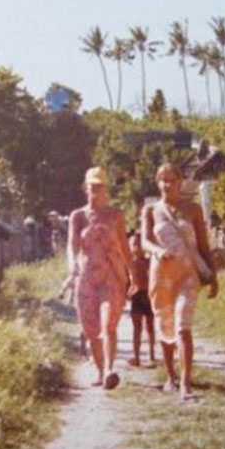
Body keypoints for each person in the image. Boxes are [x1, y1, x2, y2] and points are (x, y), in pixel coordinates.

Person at [142, 163, 218, 401]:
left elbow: (204, 246)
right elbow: (144, 240)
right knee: (165, 323)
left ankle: (186, 383)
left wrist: (213, 276)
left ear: (180, 182)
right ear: (158, 183)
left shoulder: (193, 209)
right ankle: (171, 377)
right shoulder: (151, 210)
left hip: (188, 275)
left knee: (183, 327)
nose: (167, 185)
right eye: (163, 180)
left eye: (171, 180)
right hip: (162, 274)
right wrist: (156, 251)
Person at [63, 167, 134, 390]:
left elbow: (124, 246)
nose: (95, 191)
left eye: (100, 187)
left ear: (106, 189)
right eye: (92, 187)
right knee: (91, 329)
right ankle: (101, 370)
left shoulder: (115, 216)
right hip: (86, 278)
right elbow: (71, 245)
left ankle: (111, 369)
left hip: (110, 275)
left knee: (107, 325)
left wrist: (132, 274)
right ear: (86, 188)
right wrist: (72, 265)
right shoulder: (78, 216)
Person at [127, 230, 156, 367]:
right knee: (136, 328)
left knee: (150, 327)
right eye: (133, 245)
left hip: (148, 295)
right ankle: (136, 357)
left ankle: (151, 355)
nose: (136, 248)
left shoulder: (149, 262)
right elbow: (125, 280)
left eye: (139, 244)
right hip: (136, 296)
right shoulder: (129, 262)